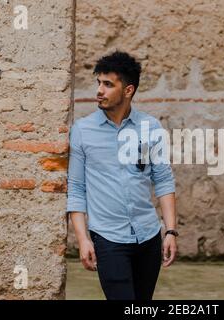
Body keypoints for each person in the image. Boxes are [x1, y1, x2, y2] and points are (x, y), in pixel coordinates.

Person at [66, 51, 178, 300]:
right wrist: (83, 239)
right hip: (108, 239)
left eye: (108, 84)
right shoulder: (83, 131)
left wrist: (170, 231)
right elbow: (75, 189)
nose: (100, 90)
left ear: (128, 90)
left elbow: (163, 180)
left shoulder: (150, 128)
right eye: (99, 83)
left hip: (148, 236)